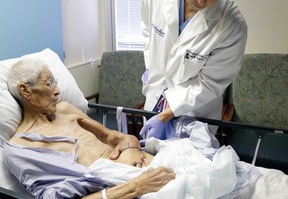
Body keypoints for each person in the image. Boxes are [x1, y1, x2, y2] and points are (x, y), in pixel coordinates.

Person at [3, 59, 175, 199]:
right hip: (125, 185)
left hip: (152, 165)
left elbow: (110, 136)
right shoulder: (21, 148)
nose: (57, 91)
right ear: (25, 90)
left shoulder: (65, 109)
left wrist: (131, 142)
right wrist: (136, 186)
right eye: (49, 83)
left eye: (55, 82)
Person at [139, 0, 247, 140]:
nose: (201, 1)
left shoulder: (232, 25)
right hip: (154, 100)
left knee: (189, 162)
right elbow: (147, 33)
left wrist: (166, 115)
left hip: (195, 115)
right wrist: (150, 68)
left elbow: (210, 83)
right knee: (150, 160)